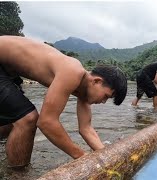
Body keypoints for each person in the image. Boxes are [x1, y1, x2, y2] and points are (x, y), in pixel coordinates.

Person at [0, 36, 127, 168]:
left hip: (8, 72)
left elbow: (86, 129)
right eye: (106, 96)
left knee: (11, 122)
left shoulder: (83, 91)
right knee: (28, 119)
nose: (104, 101)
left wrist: (108, 158)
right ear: (97, 81)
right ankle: (17, 175)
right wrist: (82, 157)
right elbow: (46, 122)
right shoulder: (73, 71)